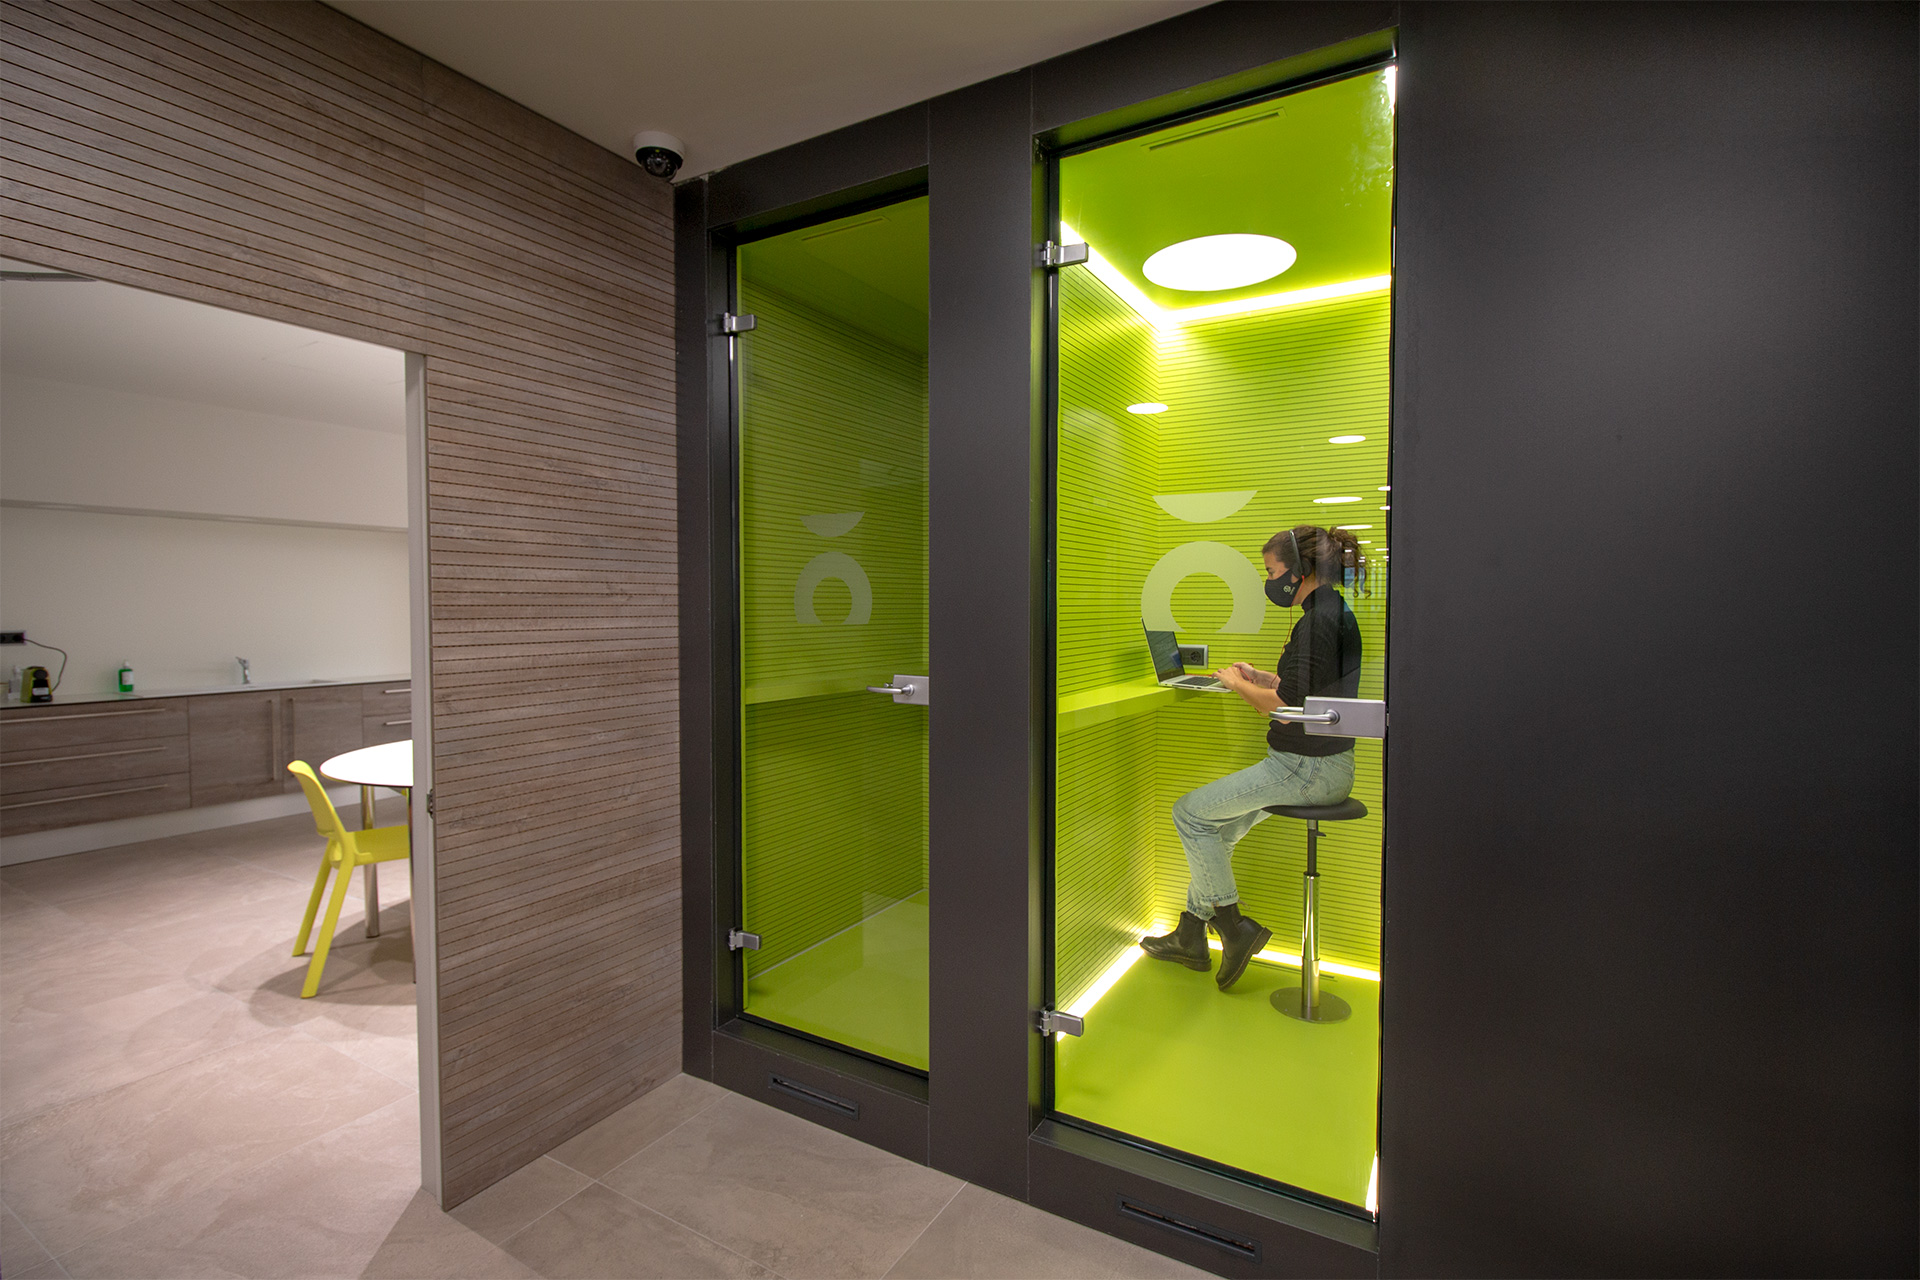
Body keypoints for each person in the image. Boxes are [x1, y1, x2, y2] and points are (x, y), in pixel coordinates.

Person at [1140, 525, 1364, 991]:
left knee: (1190, 814)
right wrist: (1259, 676)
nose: (1270, 581)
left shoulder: (1317, 621)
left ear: (1299, 570)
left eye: (1273, 572)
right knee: (1217, 832)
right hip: (1323, 766)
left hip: (1304, 768)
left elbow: (1283, 709)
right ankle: (1190, 935)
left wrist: (1236, 684)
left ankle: (1233, 927)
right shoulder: (1331, 612)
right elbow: (1304, 692)